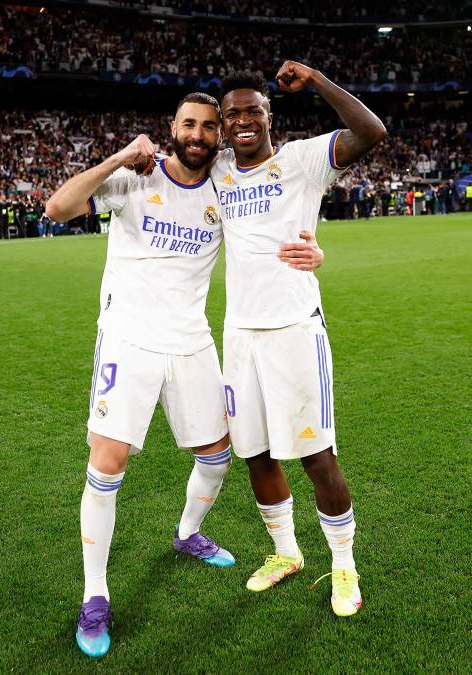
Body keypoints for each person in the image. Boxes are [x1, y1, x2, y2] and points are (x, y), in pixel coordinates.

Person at [46, 93, 237, 659]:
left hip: (191, 340)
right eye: (188, 124)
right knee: (108, 463)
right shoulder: (134, 178)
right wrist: (118, 157)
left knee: (217, 455)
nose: (197, 134)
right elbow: (58, 208)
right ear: (171, 129)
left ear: (218, 135)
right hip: (127, 339)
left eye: (208, 126)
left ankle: (186, 533)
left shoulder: (224, 187)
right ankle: (95, 594)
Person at [212, 64, 386, 617]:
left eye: (253, 111)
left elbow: (371, 132)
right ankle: (286, 553)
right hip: (239, 333)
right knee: (256, 454)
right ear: (222, 123)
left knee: (316, 455)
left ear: (269, 116)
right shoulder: (216, 173)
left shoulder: (302, 161)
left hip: (294, 328)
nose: (243, 121)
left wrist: (314, 79)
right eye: (232, 113)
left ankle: (343, 565)